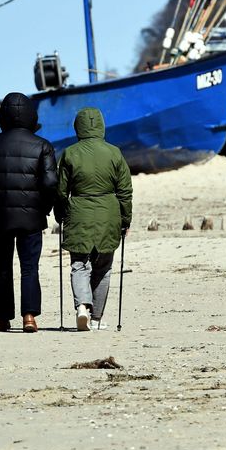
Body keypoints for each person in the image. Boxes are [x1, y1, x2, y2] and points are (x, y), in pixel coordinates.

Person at [0, 92, 58, 333]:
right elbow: (51, 183)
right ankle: (29, 317)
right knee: (29, 267)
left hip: (0, 218)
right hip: (32, 218)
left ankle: (2, 319)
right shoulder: (43, 146)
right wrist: (44, 208)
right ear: (32, 117)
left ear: (2, 118)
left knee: (2, 267)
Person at [55, 107, 132, 332]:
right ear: (101, 126)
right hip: (109, 213)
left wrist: (60, 214)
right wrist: (125, 219)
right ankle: (97, 318)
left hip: (78, 211)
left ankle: (82, 308)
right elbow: (125, 191)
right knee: (104, 267)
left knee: (79, 264)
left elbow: (61, 191)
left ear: (78, 127)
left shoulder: (69, 153)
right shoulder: (115, 153)